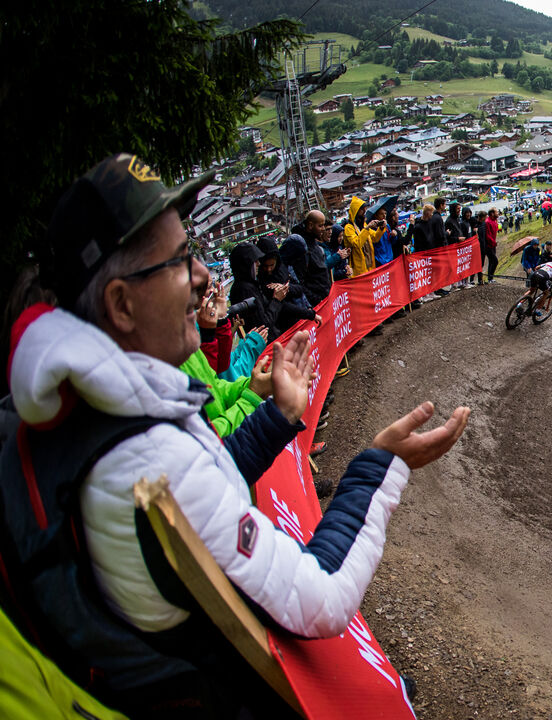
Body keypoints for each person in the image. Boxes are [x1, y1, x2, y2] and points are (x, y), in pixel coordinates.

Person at [1, 153, 471, 716]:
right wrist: (380, 465)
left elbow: (204, 483)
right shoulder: (145, 454)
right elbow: (318, 596)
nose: (203, 277)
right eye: (179, 261)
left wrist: (275, 419)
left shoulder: (69, 407)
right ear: (121, 304)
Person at [342, 197, 379, 276]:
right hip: (358, 271)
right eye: (362, 210)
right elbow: (357, 243)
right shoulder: (348, 228)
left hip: (370, 268)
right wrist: (367, 228)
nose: (364, 212)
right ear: (356, 211)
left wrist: (381, 229)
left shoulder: (363, 226)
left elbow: (375, 238)